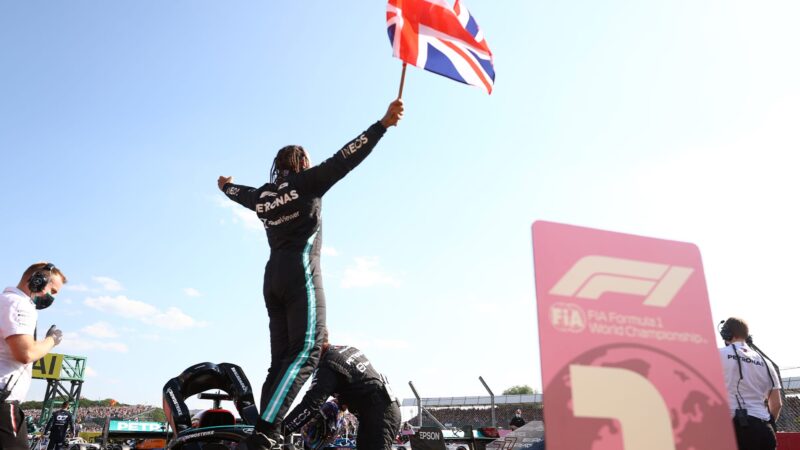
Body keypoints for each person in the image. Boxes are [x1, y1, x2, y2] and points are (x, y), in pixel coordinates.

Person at [218, 99, 404, 449]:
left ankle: (263, 426)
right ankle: (266, 432)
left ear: (278, 168)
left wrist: (225, 186)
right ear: (302, 164)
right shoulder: (307, 183)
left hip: (272, 278)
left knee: (280, 362)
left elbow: (238, 194)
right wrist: (382, 125)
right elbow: (346, 157)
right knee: (308, 351)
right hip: (300, 274)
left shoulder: (264, 196)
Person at [280, 333, 400, 450]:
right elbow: (363, 385)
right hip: (383, 410)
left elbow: (311, 404)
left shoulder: (328, 364)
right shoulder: (347, 350)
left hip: (378, 416)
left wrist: (279, 431)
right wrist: (340, 402)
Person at [0, 263, 65, 450]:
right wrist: (51, 340)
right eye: (52, 290)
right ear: (38, 280)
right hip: (3, 401)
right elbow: (25, 353)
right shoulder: (20, 304)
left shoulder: (5, 300)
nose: (51, 297)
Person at [719, 317, 782, 450]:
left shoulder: (718, 355)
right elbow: (776, 404)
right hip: (765, 430)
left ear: (727, 334)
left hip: (734, 428)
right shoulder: (766, 362)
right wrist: (769, 424)